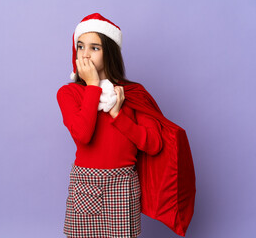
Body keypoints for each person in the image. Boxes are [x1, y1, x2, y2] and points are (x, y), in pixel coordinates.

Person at [57, 13, 196, 238]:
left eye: (95, 48)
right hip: (86, 184)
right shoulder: (70, 93)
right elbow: (83, 134)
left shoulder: (133, 94)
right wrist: (93, 85)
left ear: (109, 51)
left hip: (122, 185)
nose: (85, 53)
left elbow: (153, 145)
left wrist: (118, 115)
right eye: (81, 46)